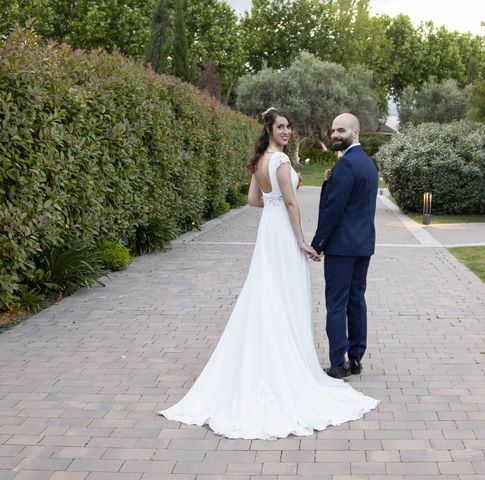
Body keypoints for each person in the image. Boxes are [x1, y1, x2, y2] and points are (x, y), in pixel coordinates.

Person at [159, 108, 378, 440]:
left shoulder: (262, 160)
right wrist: (301, 235)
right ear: (271, 129)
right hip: (333, 239)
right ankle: (350, 357)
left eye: (288, 126)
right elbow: (291, 204)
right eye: (282, 127)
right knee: (327, 298)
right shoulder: (295, 163)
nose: (287, 131)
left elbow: (253, 200)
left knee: (273, 292)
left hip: (271, 233)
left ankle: (333, 361)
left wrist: (287, 216)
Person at [311, 113, 378, 379]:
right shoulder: (368, 164)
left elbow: (334, 209)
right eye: (332, 131)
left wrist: (319, 243)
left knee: (336, 304)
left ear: (355, 133)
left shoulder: (347, 165)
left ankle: (338, 363)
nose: (334, 135)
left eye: (340, 130)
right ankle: (356, 359)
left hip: (341, 247)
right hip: (363, 245)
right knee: (356, 301)